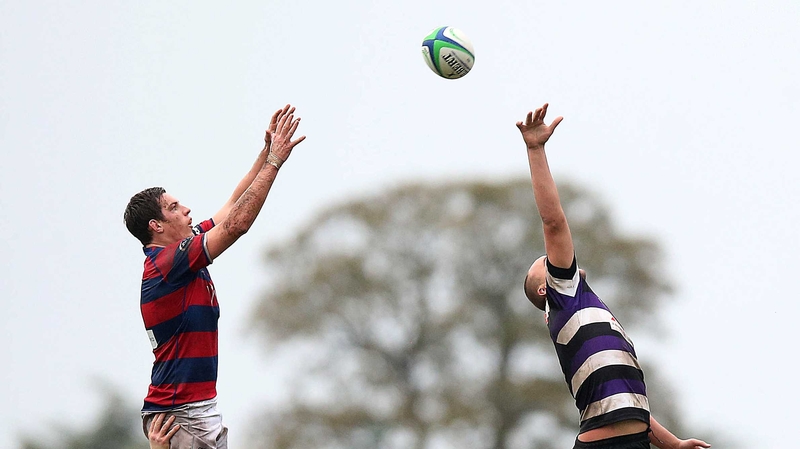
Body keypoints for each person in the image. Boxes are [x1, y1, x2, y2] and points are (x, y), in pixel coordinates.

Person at [518, 104, 710, 449]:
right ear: (547, 288)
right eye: (545, 261)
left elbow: (627, 403)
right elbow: (553, 222)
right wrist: (536, 150)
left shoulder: (590, 310)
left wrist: (673, 444)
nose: (554, 257)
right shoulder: (565, 297)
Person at [124, 104, 306, 449]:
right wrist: (275, 163)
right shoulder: (168, 262)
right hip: (179, 412)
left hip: (191, 409)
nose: (187, 209)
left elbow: (234, 204)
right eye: (174, 207)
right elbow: (238, 223)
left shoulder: (184, 251)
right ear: (156, 226)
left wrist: (266, 153)